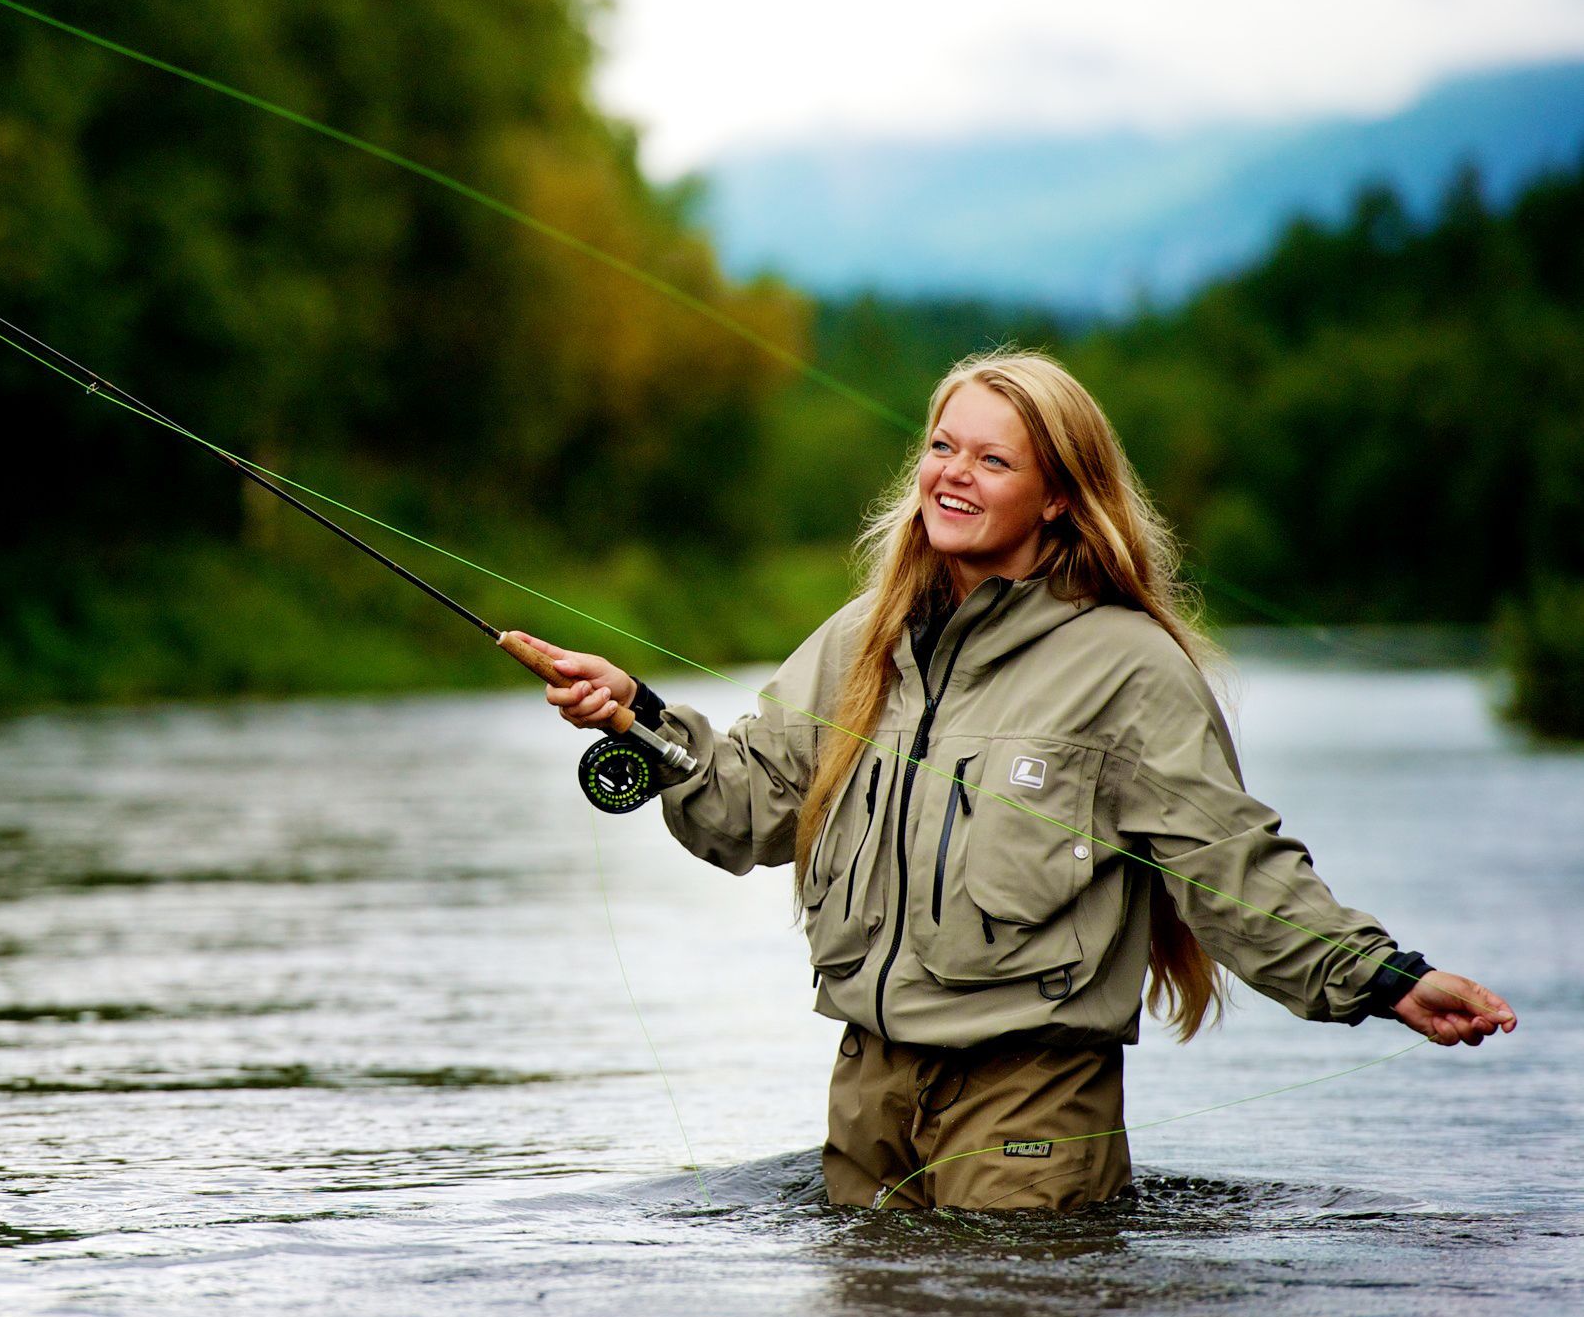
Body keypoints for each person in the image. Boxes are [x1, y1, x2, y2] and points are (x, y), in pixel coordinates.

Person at [511, 349, 1517, 1211]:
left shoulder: (1128, 667)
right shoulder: (858, 641)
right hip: (866, 1092)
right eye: (942, 447)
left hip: (1032, 1096)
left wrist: (1385, 979)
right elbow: (746, 809)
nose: (952, 474)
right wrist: (638, 719)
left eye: (993, 459)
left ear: (1058, 498)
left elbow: (1232, 868)